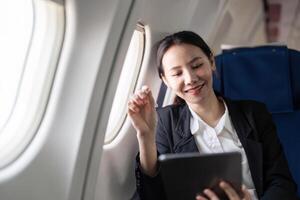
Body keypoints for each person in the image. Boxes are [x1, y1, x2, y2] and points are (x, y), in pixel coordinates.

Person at [127, 31, 298, 200]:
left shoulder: (254, 113)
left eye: (196, 66)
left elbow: (282, 183)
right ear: (165, 80)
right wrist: (146, 136)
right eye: (177, 73)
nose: (190, 79)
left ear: (211, 62)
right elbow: (153, 196)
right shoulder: (165, 122)